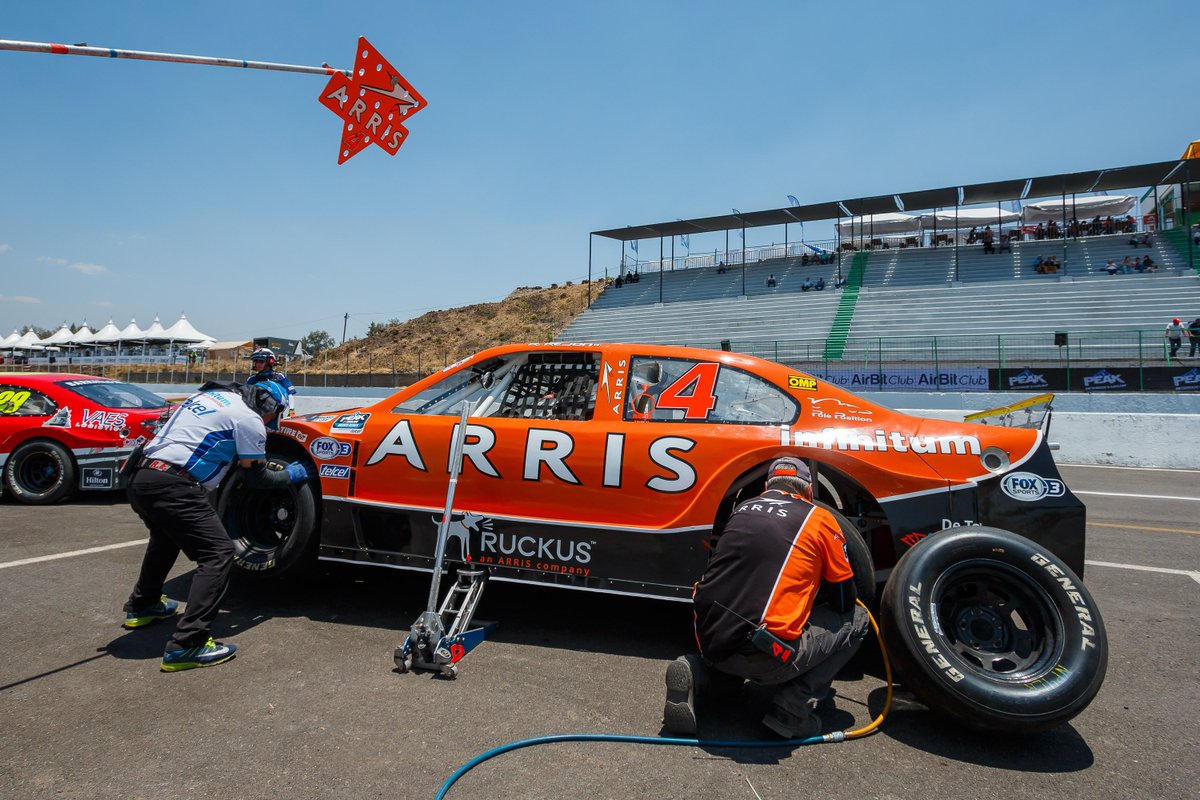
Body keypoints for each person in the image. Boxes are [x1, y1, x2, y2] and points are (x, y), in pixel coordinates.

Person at [663, 457, 868, 738]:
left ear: (766, 486)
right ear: (809, 490)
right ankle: (791, 711)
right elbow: (844, 598)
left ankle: (699, 672)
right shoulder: (819, 518)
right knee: (857, 619)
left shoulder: (743, 509)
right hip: (767, 655)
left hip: (712, 642)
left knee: (742, 628)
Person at [121, 380, 312, 671]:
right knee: (218, 554)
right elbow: (256, 478)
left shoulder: (211, 396)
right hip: (175, 484)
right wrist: (290, 475)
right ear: (271, 406)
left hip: (141, 476)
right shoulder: (250, 420)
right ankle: (188, 643)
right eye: (276, 414)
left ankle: (143, 604)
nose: (273, 422)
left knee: (164, 539)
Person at [247, 348, 296, 416]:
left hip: (276, 418)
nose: (258, 364)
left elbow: (289, 393)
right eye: (256, 361)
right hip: (258, 417)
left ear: (270, 361)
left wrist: (291, 410)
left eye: (261, 361)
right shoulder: (251, 380)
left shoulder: (279, 377)